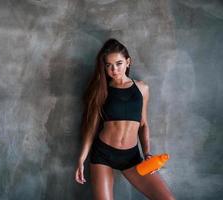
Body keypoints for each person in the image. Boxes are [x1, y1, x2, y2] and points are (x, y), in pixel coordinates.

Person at [74, 38, 176, 200]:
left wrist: (147, 153)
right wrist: (81, 158)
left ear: (128, 62)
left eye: (119, 63)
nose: (114, 69)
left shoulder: (142, 88)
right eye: (108, 65)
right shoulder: (102, 90)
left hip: (132, 157)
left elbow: (143, 124)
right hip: (103, 154)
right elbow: (92, 127)